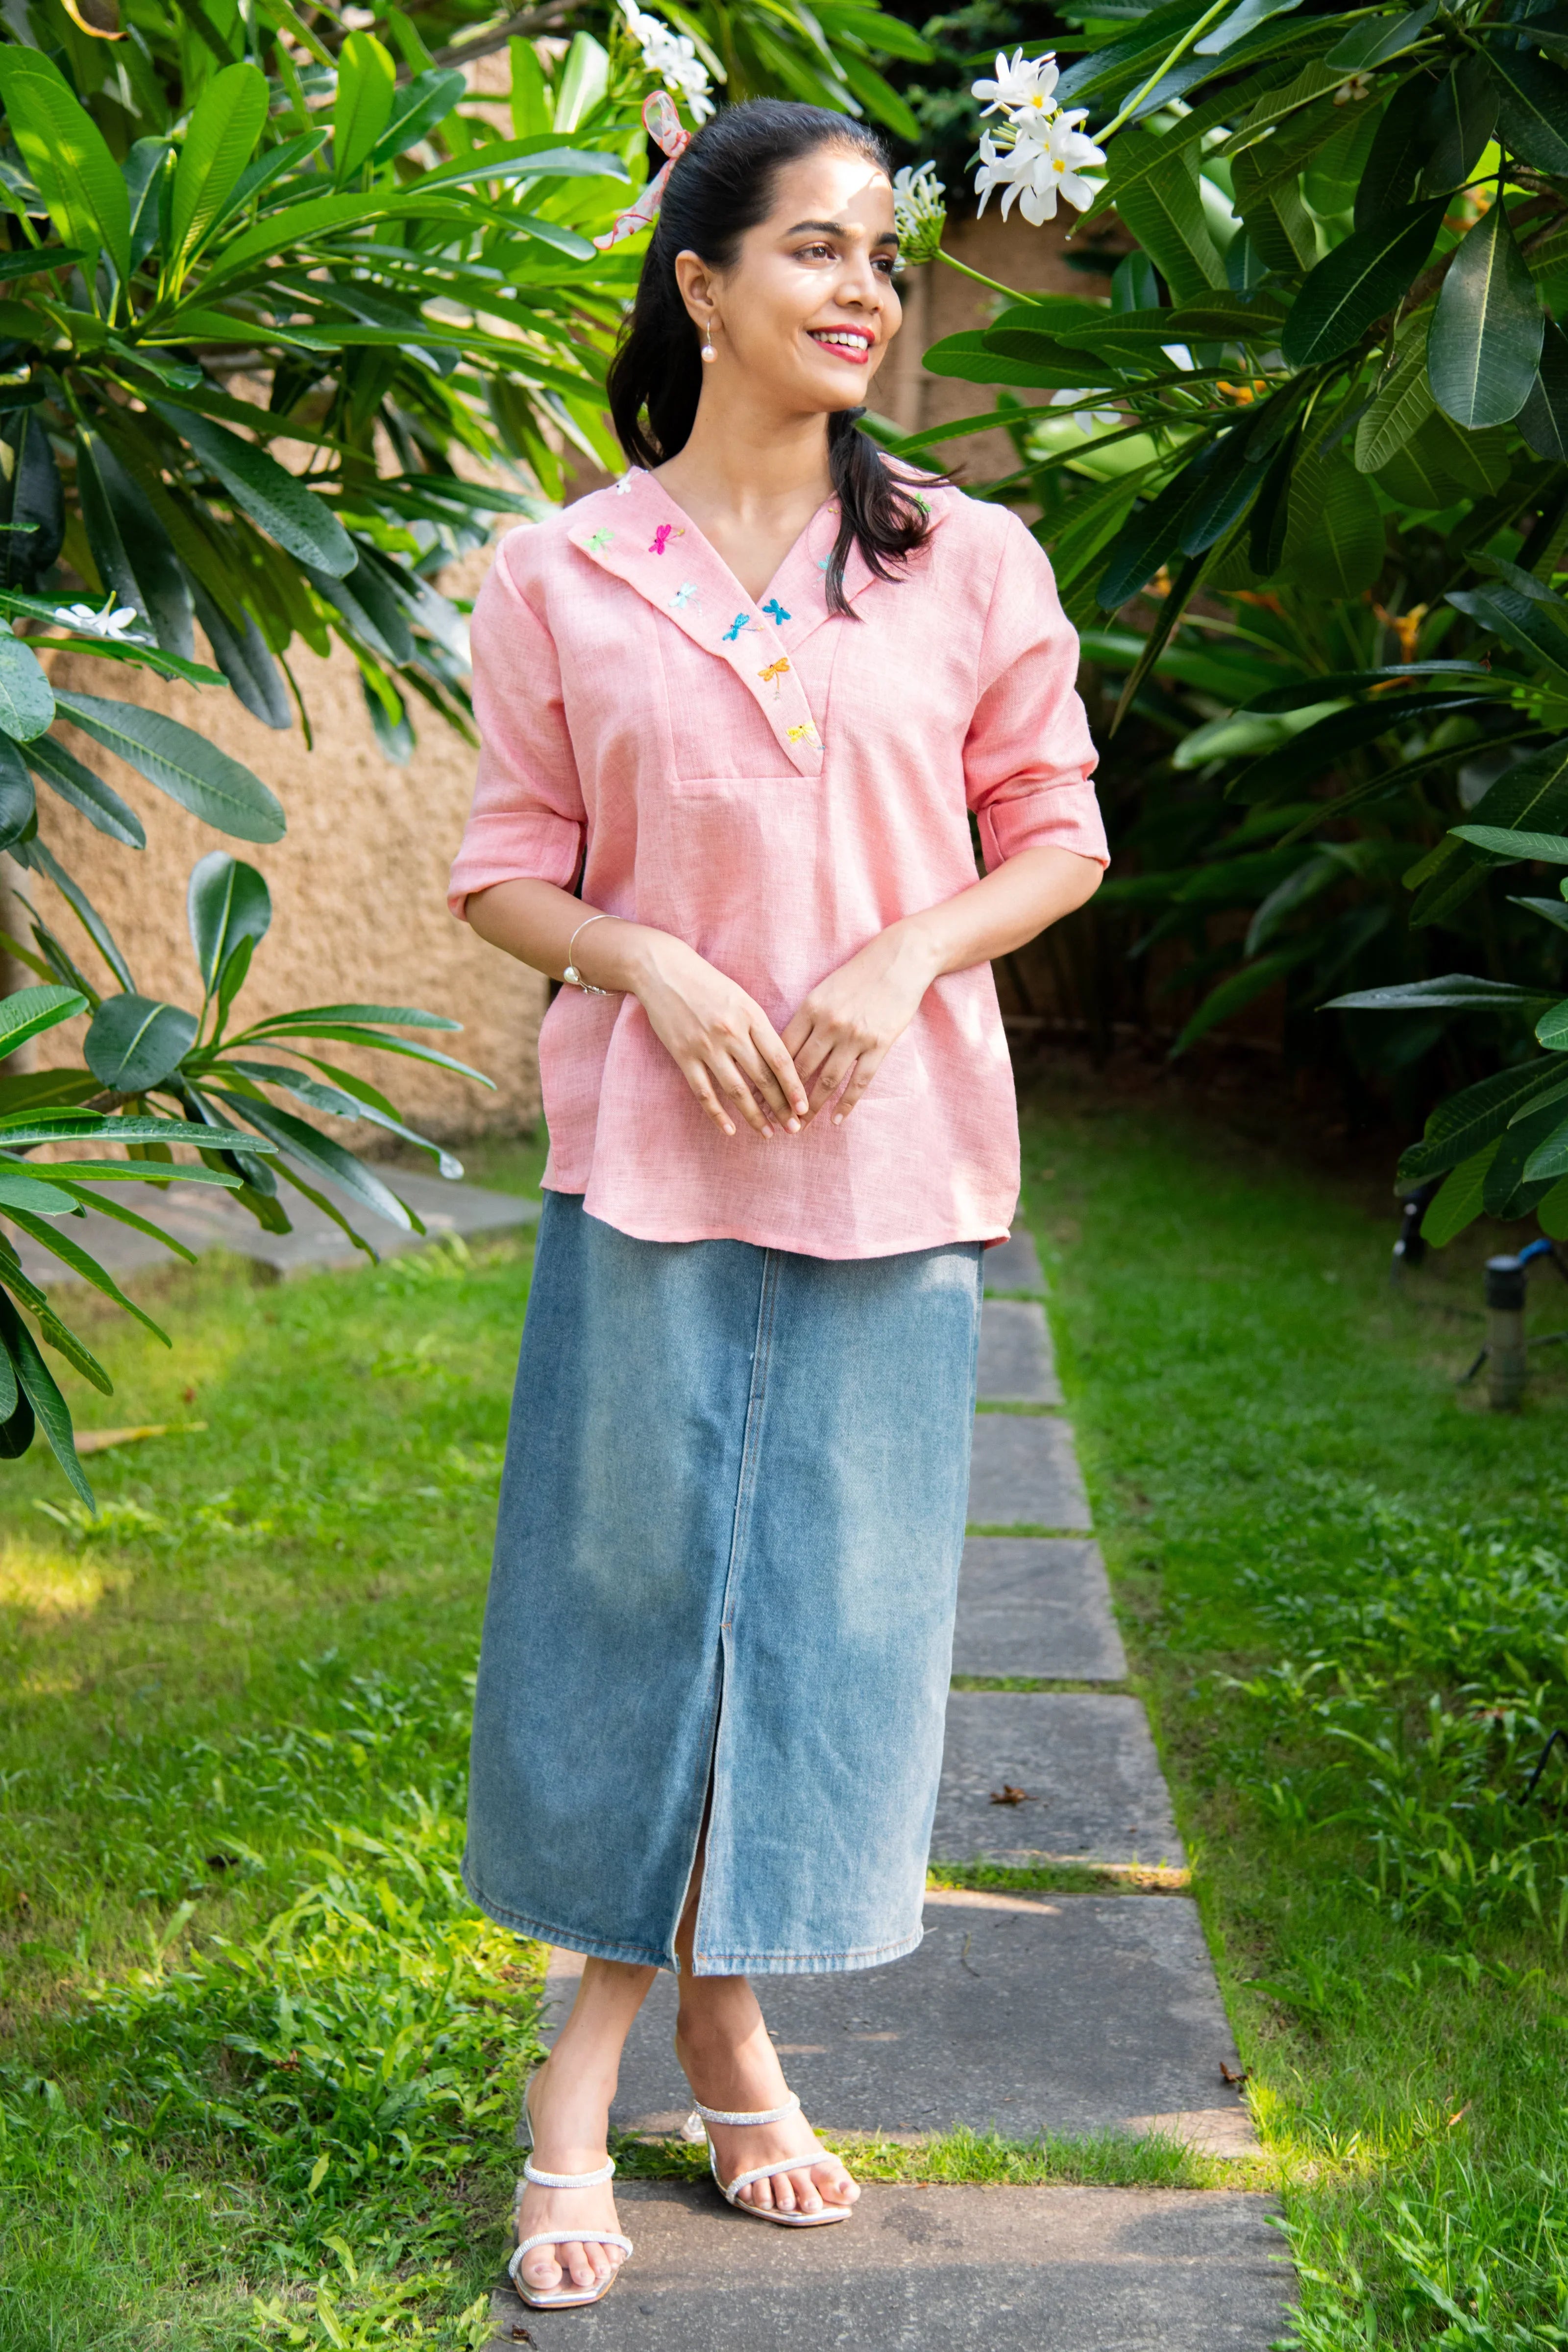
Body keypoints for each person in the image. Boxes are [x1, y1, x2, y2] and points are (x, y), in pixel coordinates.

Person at [447, 93, 1107, 2313]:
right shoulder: (562, 573)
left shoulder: (964, 561)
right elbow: (508, 866)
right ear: (697, 285)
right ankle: (643, 2060)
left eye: (881, 257)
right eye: (811, 250)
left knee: (822, 1626)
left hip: (894, 1158)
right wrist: (643, 957)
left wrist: (903, 948)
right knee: (631, 1600)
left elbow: (1056, 834)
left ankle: (648, 2047)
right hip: (646, 1157)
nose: (860, 290)